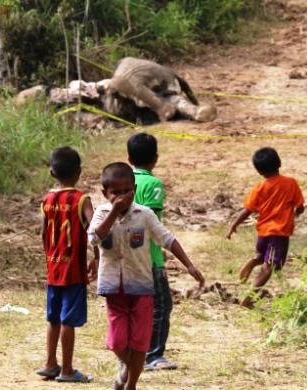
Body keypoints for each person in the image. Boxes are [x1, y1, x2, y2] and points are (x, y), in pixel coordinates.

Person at [88, 162, 205, 390]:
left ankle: (131, 384)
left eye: (126, 191)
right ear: (105, 194)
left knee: (140, 343)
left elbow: (167, 239)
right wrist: (113, 212)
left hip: (141, 286)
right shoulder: (101, 214)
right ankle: (124, 364)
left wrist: (189, 266)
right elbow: (94, 238)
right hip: (114, 288)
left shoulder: (145, 215)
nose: (122, 196)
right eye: (116, 192)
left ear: (134, 188)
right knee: (117, 341)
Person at [35, 146, 95, 383]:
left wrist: (50, 257)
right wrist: (97, 256)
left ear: (52, 173)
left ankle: (50, 363)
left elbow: (42, 233)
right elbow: (95, 229)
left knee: (53, 318)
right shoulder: (82, 200)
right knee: (69, 319)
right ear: (79, 172)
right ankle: (67, 370)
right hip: (74, 270)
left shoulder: (47, 200)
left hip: (53, 267)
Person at [226, 147, 305, 308]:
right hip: (279, 233)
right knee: (270, 267)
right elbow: (300, 206)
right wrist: (295, 213)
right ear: (279, 163)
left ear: (259, 171)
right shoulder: (291, 183)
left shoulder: (259, 187)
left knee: (264, 256)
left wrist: (234, 225)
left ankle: (254, 260)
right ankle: (249, 298)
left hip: (263, 232)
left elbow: (248, 210)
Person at [126, 133, 178, 371]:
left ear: (128, 158)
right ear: (155, 159)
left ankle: (133, 349)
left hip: (126, 256)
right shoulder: (153, 184)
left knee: (133, 306)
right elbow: (152, 221)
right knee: (160, 305)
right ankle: (153, 354)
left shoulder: (123, 181)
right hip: (150, 256)